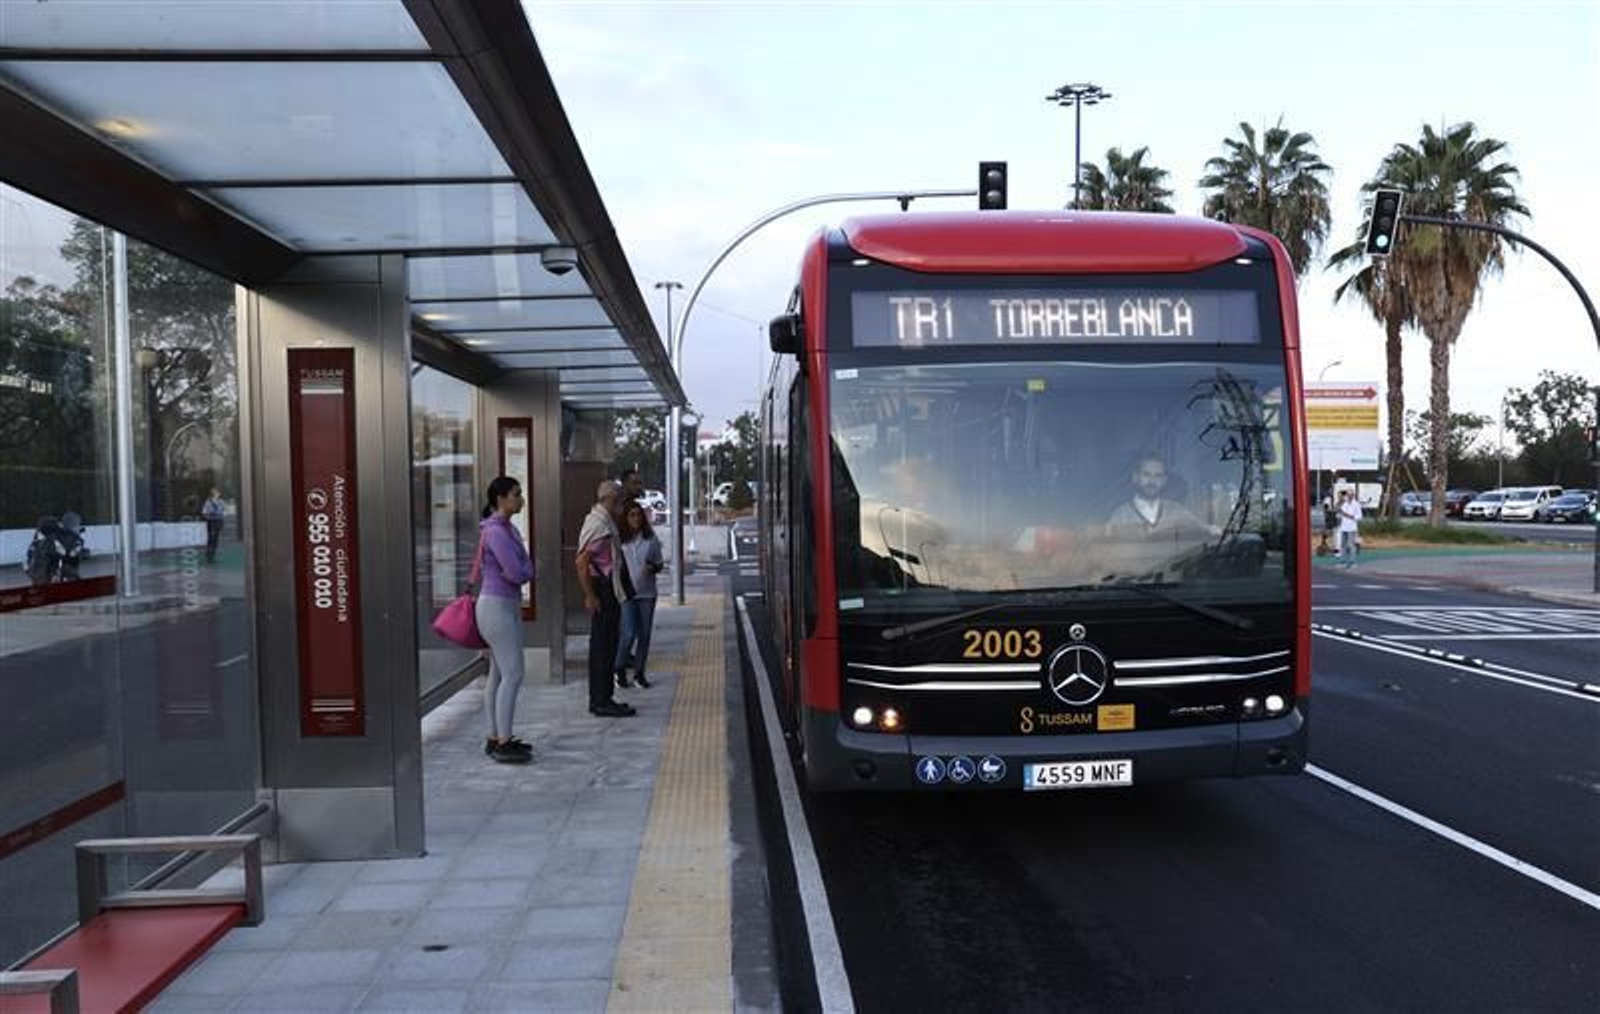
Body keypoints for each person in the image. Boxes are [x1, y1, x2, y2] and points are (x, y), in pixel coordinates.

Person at [477, 476, 536, 763]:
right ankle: (504, 740)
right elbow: (518, 571)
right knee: (513, 674)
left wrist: (524, 569)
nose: (521, 499)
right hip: (496, 607)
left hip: (503, 605)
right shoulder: (497, 532)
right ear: (500, 498)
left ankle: (495, 736)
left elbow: (525, 566)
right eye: (516, 494)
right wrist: (524, 570)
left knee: (498, 675)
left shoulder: (506, 529)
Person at [1100, 454, 1218, 578]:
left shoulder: (1177, 511)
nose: (1152, 481)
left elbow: (1205, 532)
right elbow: (1108, 557)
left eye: (1158, 476)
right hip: (1132, 587)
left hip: (1173, 588)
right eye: (1146, 474)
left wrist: (1214, 530)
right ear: (1135, 477)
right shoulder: (1120, 516)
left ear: (1164, 481)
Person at [576, 480, 637, 717]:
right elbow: (581, 562)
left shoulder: (602, 521)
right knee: (603, 647)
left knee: (608, 645)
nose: (622, 507)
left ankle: (604, 697)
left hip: (606, 588)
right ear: (611, 500)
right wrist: (590, 595)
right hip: (603, 590)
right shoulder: (599, 526)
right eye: (620, 501)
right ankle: (601, 701)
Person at [614, 501, 665, 690]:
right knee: (628, 634)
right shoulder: (619, 541)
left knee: (644, 634)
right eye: (632, 515)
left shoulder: (650, 539)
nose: (636, 519)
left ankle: (639, 673)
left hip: (647, 593)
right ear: (626, 519)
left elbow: (659, 563)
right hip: (627, 594)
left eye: (638, 515)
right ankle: (618, 668)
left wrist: (653, 567)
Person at [1337, 489, 1363, 568]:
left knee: (1351, 545)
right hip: (1343, 527)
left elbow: (1359, 517)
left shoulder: (1356, 504)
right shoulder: (1344, 504)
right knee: (1343, 545)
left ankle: (1352, 562)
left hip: (1352, 528)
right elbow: (1340, 515)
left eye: (1350, 495)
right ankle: (1343, 562)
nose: (1348, 496)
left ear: (1353, 495)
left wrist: (1349, 515)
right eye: (1347, 495)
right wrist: (1340, 514)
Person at [202, 488, 226, 563]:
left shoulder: (221, 502)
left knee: (215, 538)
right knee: (211, 538)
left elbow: (224, 511)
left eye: (218, 493)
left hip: (218, 521)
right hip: (211, 521)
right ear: (213, 494)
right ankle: (209, 555)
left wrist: (221, 515)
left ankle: (212, 555)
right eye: (216, 493)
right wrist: (210, 514)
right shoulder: (208, 502)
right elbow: (204, 512)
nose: (218, 494)